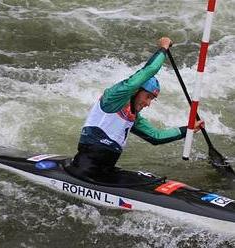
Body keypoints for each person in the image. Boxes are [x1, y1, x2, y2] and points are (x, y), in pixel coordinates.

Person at [68, 37, 204, 182]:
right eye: (147, 97)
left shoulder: (132, 116)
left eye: (152, 99)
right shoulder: (114, 98)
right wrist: (163, 49)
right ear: (136, 90)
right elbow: (149, 70)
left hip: (105, 171)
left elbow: (156, 137)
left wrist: (188, 129)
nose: (148, 103)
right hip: (84, 170)